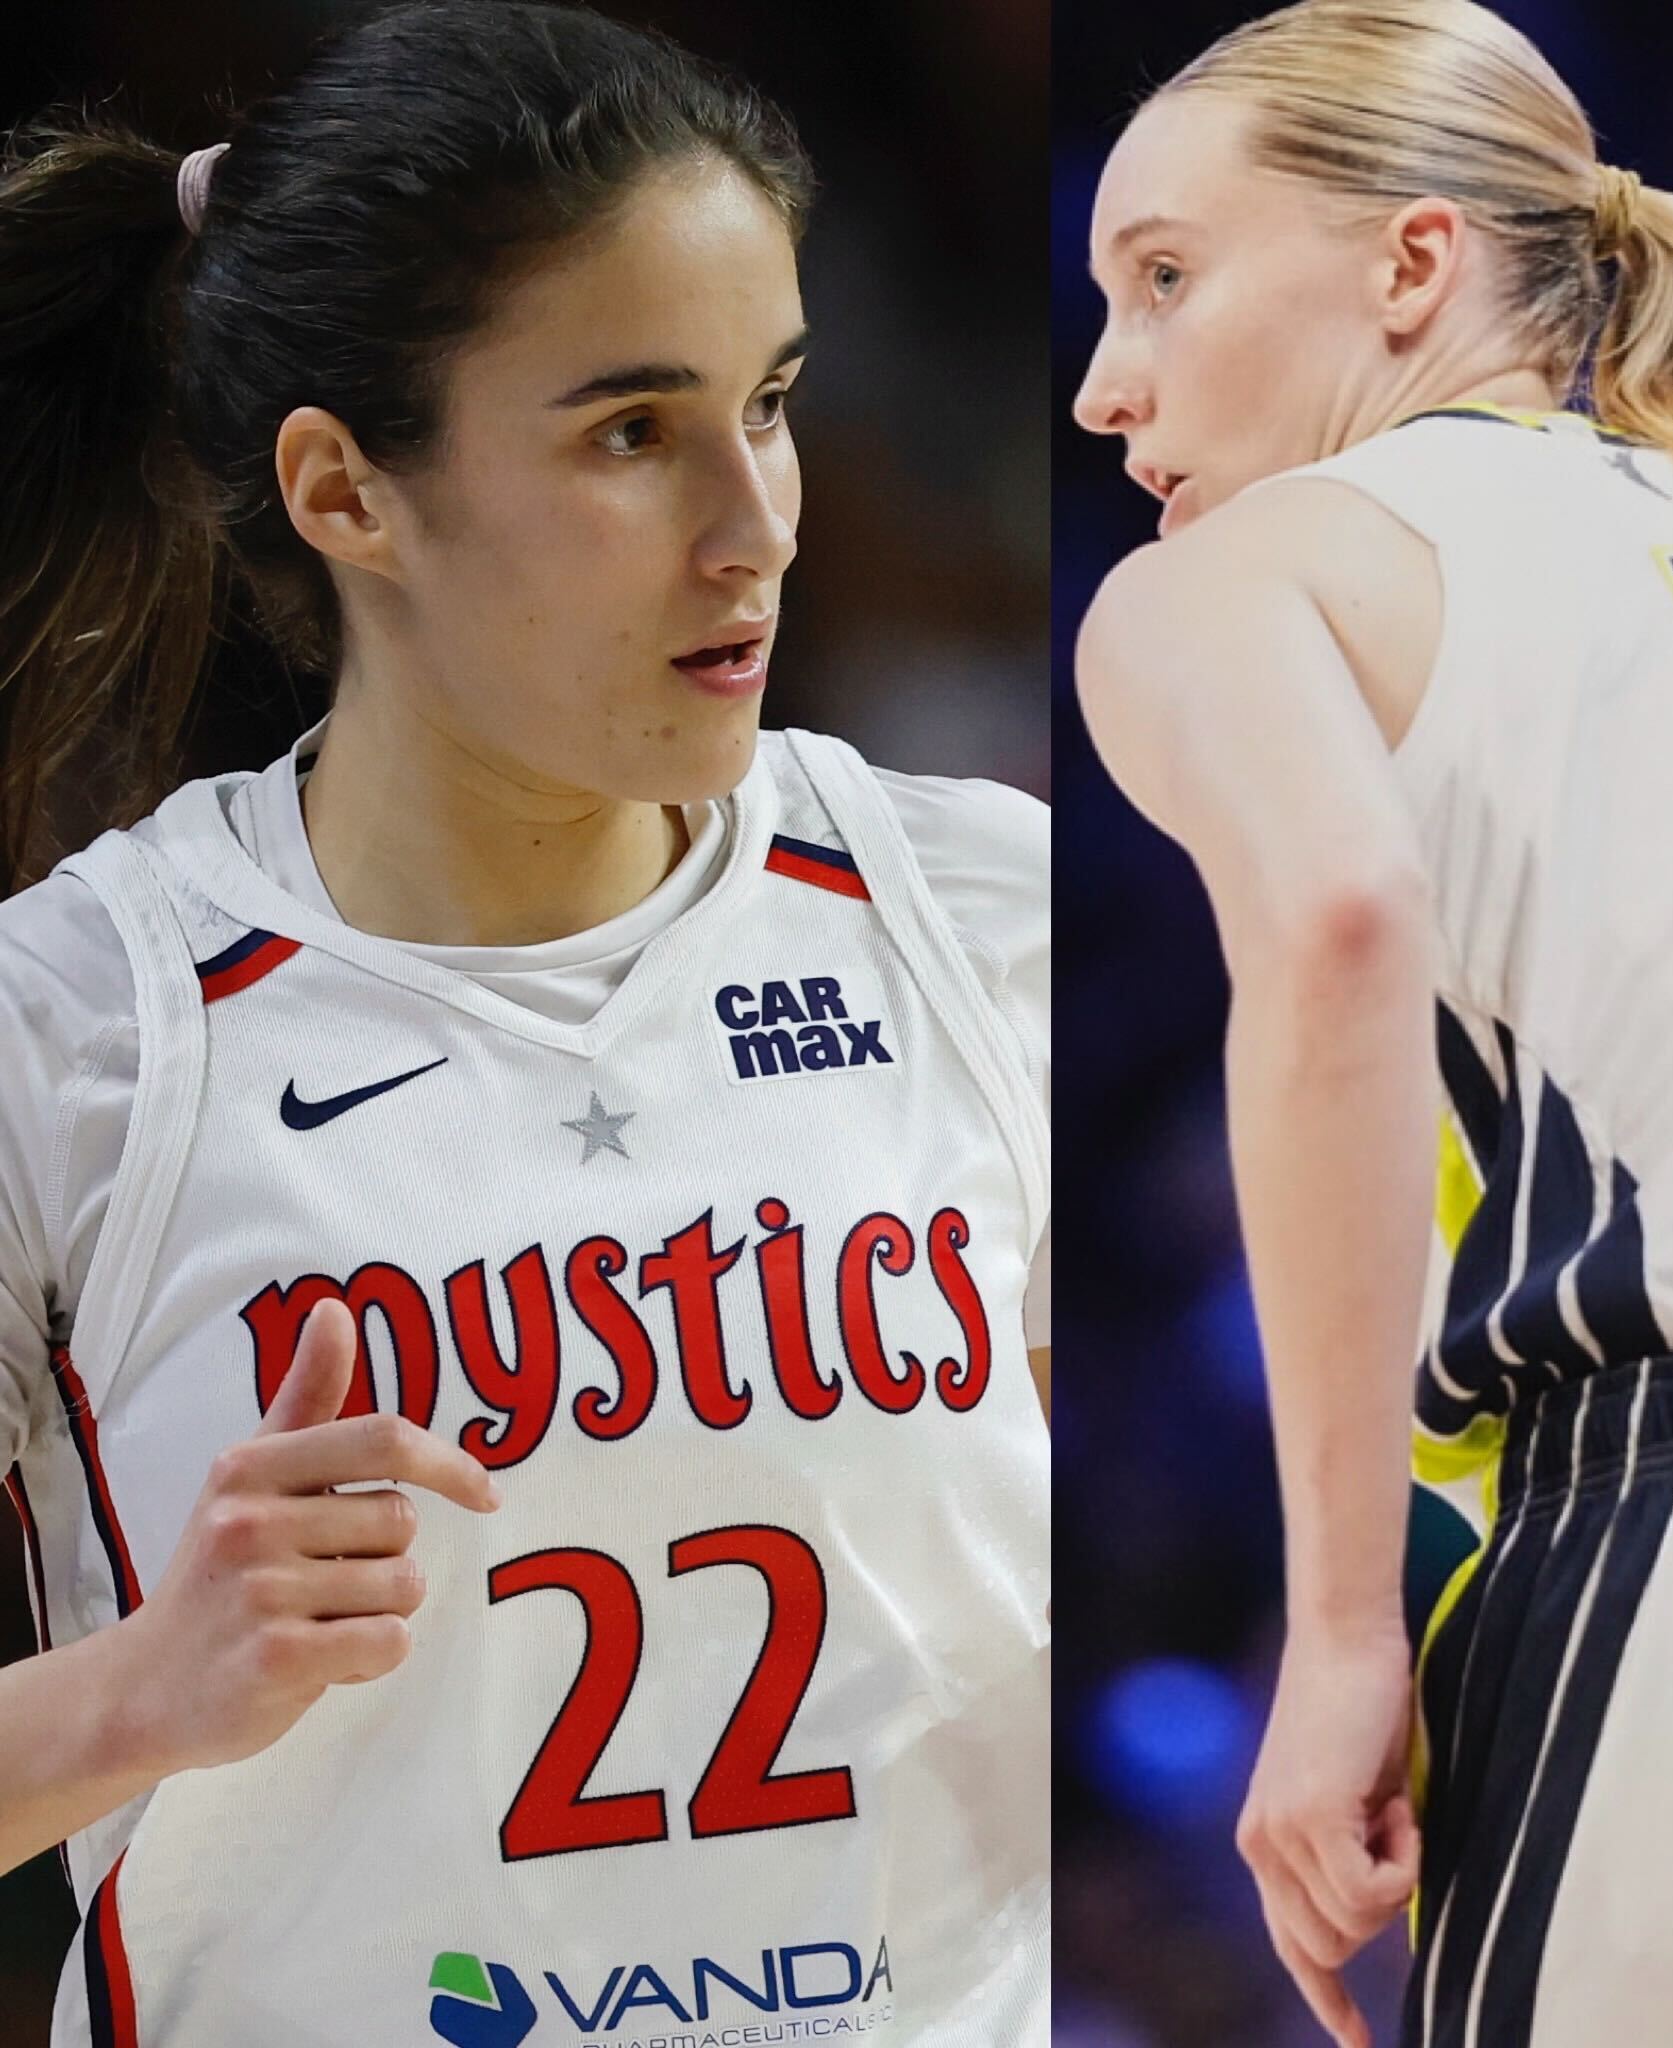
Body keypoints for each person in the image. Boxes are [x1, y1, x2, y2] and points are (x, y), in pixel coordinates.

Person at [0, 4, 1050, 2043]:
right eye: (630, 432)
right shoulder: (81, 1031)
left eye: (776, 401)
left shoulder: (980, 908)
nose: (754, 522)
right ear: (344, 491)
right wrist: (145, 1688)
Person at [1071, 2, 1673, 2045]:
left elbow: (1338, 913)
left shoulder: (1245, 575)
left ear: (1411, 266)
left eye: (1164, 278)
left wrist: (1339, 1634)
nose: (1104, 386)